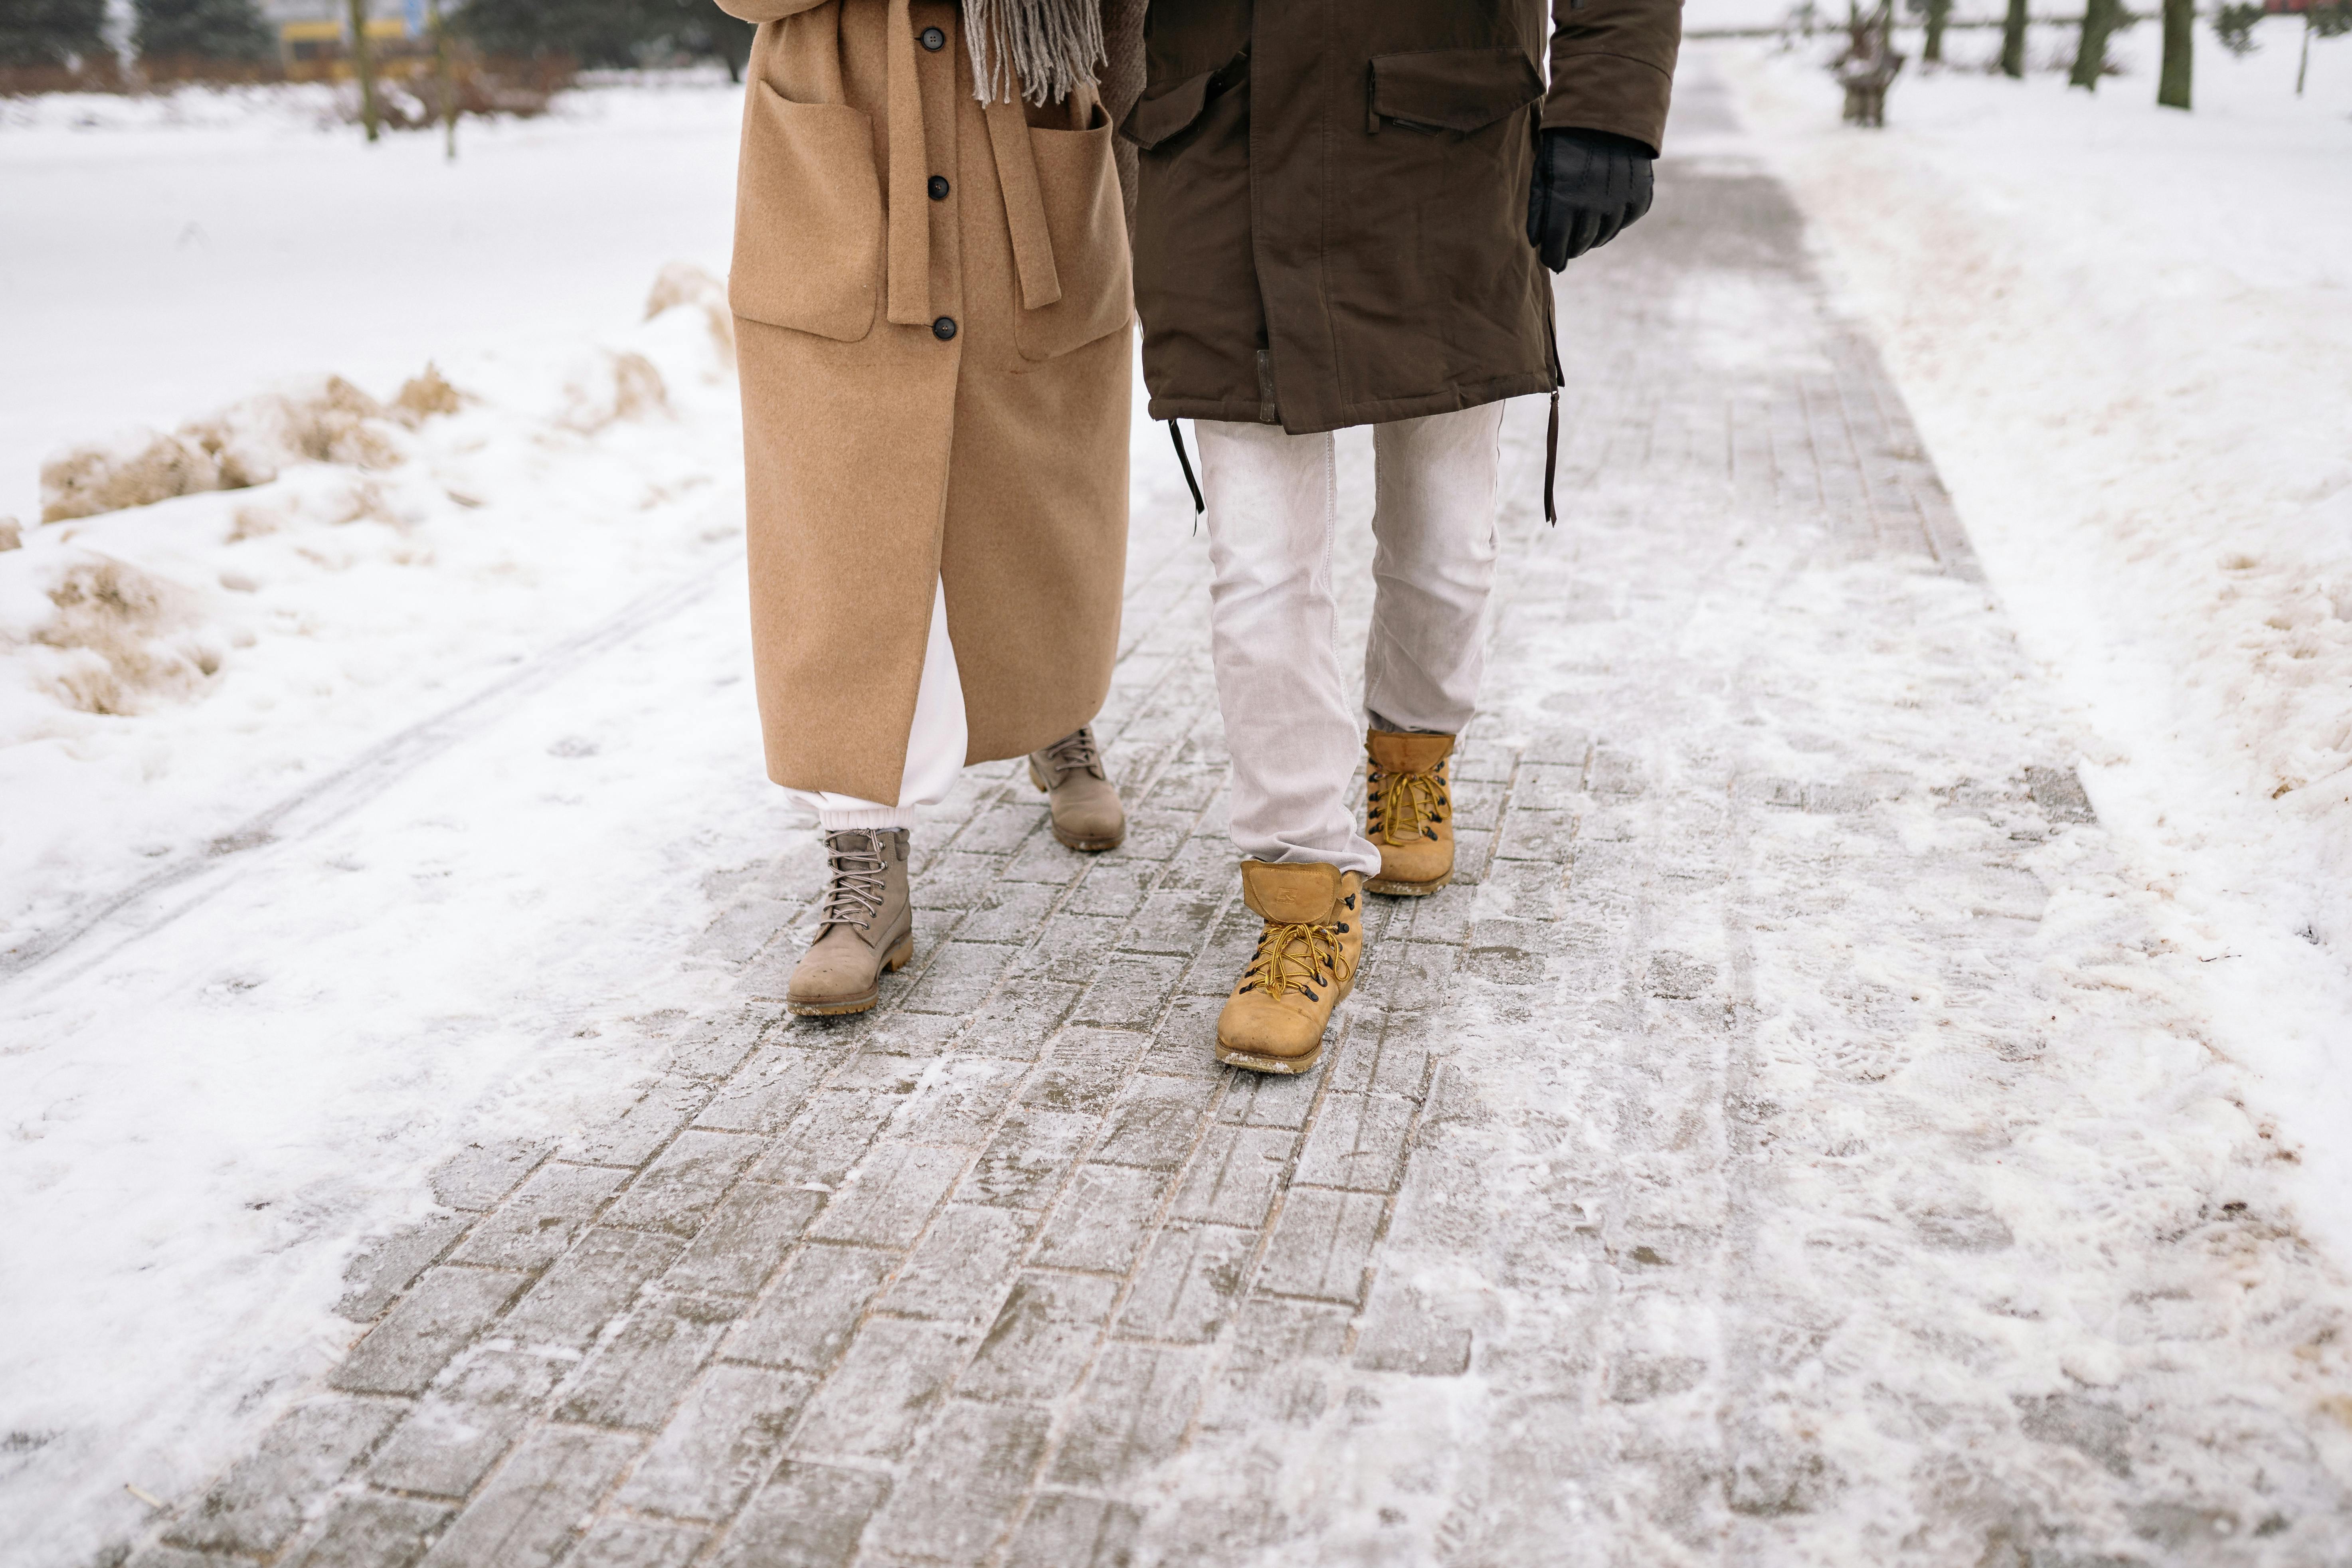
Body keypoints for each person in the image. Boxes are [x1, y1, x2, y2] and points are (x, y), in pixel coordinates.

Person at [1118, 1, 1680, 1072]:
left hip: (1446, 148)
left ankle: (1412, 751)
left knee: (1443, 546)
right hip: (1225, 151)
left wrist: (1608, 107)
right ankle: (1301, 894)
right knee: (1259, 570)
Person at [715, 0, 1145, 1016]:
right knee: (842, 524)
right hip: (841, 168)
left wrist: (1129, 129)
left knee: (1039, 486)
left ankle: (1056, 716)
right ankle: (864, 855)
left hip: (1022, 133)